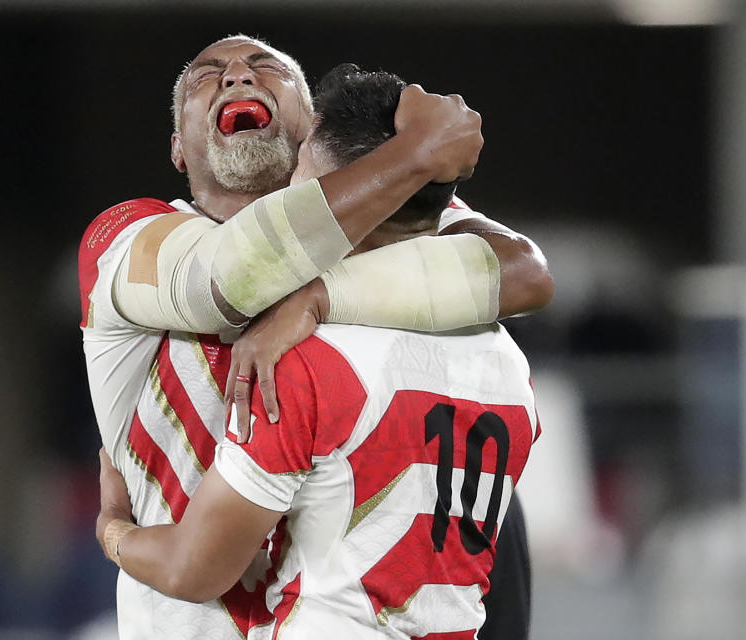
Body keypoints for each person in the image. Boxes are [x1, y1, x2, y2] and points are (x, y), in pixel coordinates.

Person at [82, 36, 551, 638]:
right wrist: (416, 155)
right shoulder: (128, 237)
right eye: (204, 76)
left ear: (311, 128)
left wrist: (318, 296)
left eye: (266, 68)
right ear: (178, 147)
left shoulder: (387, 212)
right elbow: (229, 275)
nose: (234, 77)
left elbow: (526, 272)